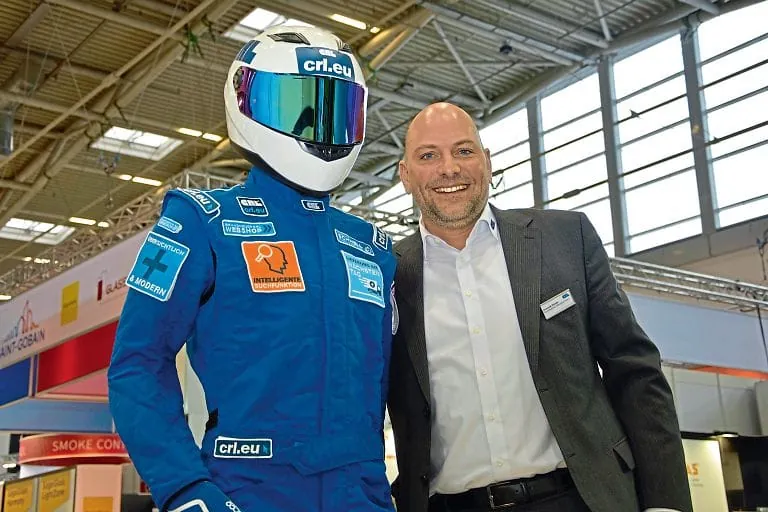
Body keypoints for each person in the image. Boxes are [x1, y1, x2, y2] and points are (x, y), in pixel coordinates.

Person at [108, 26, 398, 512]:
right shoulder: (201, 222)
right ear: (247, 100)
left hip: (362, 496)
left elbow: (396, 387)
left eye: (335, 109)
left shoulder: (373, 247)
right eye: (298, 106)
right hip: (243, 493)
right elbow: (138, 363)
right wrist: (184, 488)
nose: (319, 126)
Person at [386, 102, 692, 512]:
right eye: (428, 156)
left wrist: (666, 503)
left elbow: (634, 370)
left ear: (486, 162)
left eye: (464, 151)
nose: (450, 168)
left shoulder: (565, 239)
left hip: (579, 498)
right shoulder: (385, 272)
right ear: (405, 175)